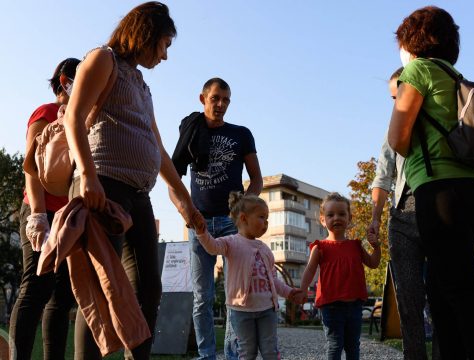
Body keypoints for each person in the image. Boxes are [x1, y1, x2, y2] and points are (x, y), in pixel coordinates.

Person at [63, 2, 200, 359]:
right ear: (147, 35)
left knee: (147, 290)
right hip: (102, 186)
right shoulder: (101, 59)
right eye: (165, 45)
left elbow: (158, 148)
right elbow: (73, 118)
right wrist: (88, 175)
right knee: (99, 285)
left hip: (139, 195)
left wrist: (184, 200)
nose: (165, 56)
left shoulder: (140, 83)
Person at [388, 6, 474, 359]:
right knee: (443, 288)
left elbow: (398, 139)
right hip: (470, 189)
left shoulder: (418, 69)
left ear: (412, 41)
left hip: (438, 190)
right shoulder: (455, 75)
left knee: (458, 290)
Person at [172, 77, 263, 359]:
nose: (221, 104)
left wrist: (244, 211)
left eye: (225, 100)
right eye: (215, 98)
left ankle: (233, 354)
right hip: (199, 225)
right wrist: (184, 211)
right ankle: (207, 355)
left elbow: (257, 179)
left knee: (237, 293)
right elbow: (173, 181)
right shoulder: (190, 133)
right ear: (203, 99)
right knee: (203, 297)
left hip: (230, 222)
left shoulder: (241, 133)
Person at [9, 57, 80, 360]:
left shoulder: (79, 119)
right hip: (41, 213)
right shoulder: (46, 112)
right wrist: (38, 215)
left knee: (62, 296)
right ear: (65, 81)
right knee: (36, 287)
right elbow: (31, 166)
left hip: (68, 217)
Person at [368, 67, 440, 360]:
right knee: (409, 303)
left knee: (440, 300)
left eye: (400, 92)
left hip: (437, 215)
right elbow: (382, 177)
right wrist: (374, 218)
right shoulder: (392, 133)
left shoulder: (439, 124)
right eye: (392, 97)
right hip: (401, 220)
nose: (396, 100)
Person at [192, 192, 300, 360]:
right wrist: (201, 233)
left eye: (267, 218)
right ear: (243, 218)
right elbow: (212, 247)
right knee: (246, 352)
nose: (266, 223)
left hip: (267, 310)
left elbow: (274, 280)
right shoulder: (230, 242)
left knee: (270, 350)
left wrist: (289, 292)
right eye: (262, 217)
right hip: (241, 311)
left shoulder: (265, 249)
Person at [297, 192, 381, 360]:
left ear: (349, 218)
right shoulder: (320, 247)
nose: (337, 218)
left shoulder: (356, 245)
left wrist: (376, 247)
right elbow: (310, 270)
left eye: (342, 214)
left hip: (355, 306)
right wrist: (303, 290)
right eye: (330, 215)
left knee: (353, 346)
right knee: (335, 345)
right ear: (323, 220)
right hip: (331, 307)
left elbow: (373, 263)